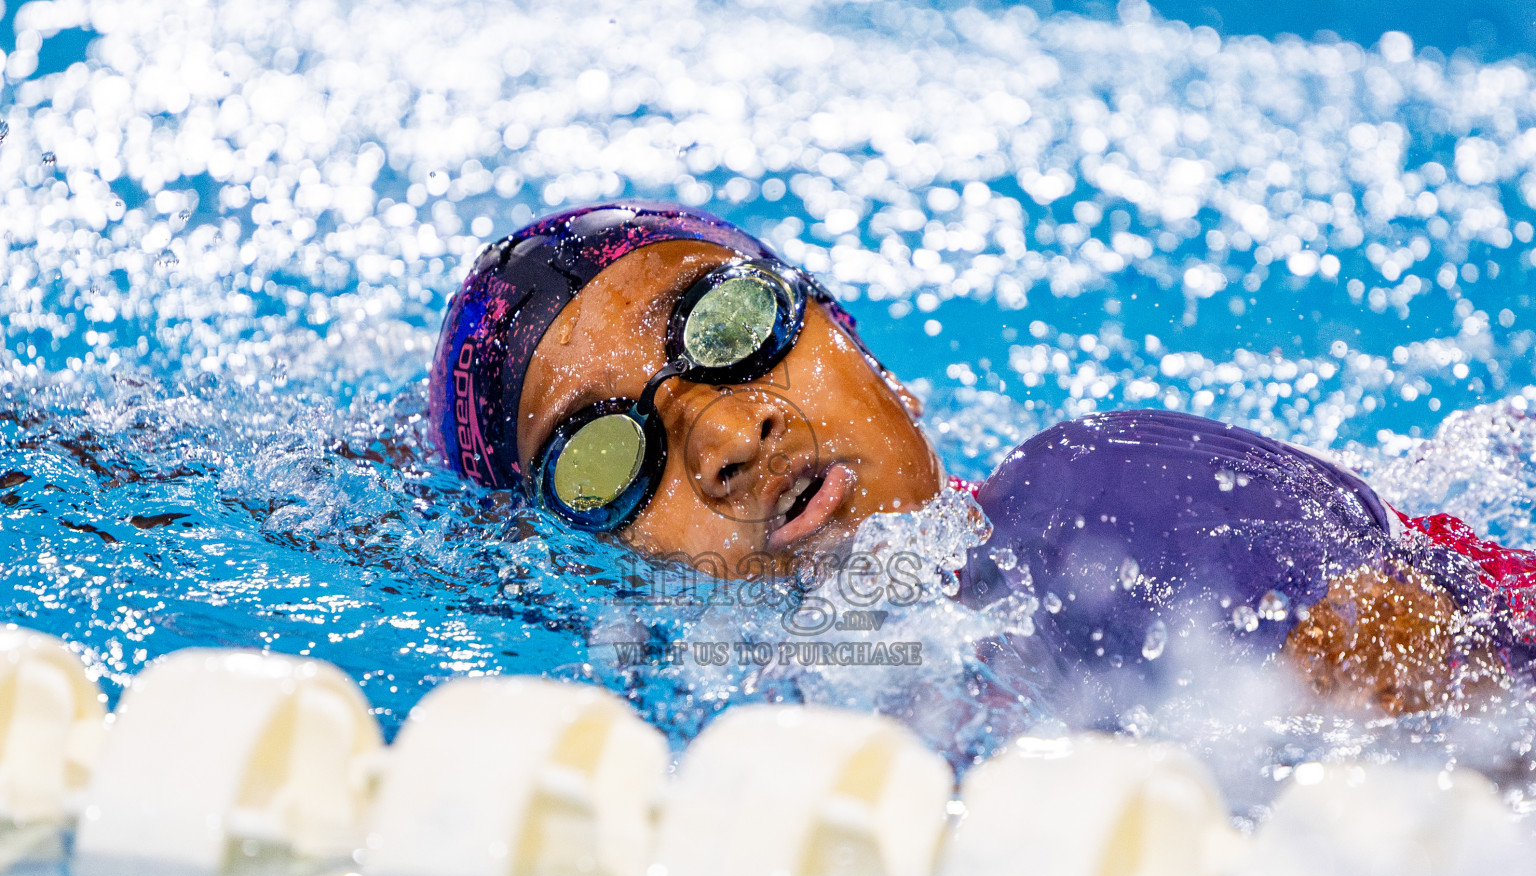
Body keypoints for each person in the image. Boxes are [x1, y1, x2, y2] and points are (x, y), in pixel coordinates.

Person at [430, 200, 1536, 720]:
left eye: (725, 325)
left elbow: (1462, 742)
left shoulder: (1099, 503)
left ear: (855, 345)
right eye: (601, 458)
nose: (724, 437)